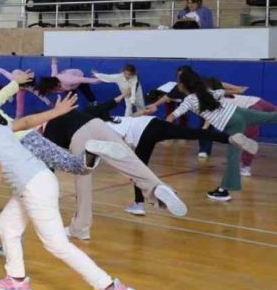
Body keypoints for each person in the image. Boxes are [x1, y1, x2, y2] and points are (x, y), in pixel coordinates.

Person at [0, 89, 135, 290]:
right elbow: (28, 122)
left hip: (34, 187)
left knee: (56, 244)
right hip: (37, 179)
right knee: (7, 226)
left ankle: (111, 288)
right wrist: (56, 112)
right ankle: (16, 279)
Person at [85, 91, 254, 215]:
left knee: (139, 172)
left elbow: (114, 145)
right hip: (153, 123)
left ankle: (139, 204)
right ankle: (230, 139)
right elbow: (129, 120)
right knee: (194, 133)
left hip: (144, 134)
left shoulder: (98, 127)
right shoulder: (112, 118)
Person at [40, 101, 188, 240]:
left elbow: (49, 165)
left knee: (82, 181)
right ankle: (157, 187)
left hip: (78, 136)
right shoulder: (62, 111)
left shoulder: (47, 131)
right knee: (131, 162)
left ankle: (80, 228)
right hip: (98, 124)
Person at [165, 71, 277, 201]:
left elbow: (173, 115)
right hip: (239, 112)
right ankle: (243, 140)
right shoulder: (208, 92)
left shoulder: (188, 101)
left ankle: (224, 191)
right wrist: (237, 89)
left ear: (183, 85)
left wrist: (165, 128)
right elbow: (224, 92)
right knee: (270, 117)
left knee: (233, 157)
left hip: (232, 123)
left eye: (178, 82)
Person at [34, 58, 101, 103]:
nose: (52, 91)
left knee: (87, 92)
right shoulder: (53, 80)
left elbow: (87, 80)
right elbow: (54, 68)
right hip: (68, 85)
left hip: (78, 75)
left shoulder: (69, 80)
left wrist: (98, 77)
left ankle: (94, 104)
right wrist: (53, 61)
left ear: (56, 85)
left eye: (53, 90)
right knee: (70, 99)